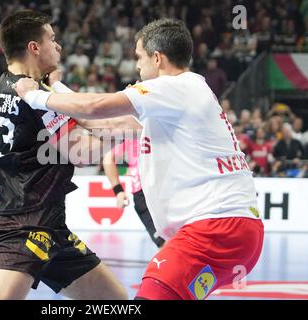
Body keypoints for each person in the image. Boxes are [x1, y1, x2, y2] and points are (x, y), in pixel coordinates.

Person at [14, 18, 264, 300]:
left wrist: (34, 95)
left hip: (215, 228)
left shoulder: (174, 87)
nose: (137, 66)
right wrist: (56, 88)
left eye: (139, 57)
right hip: (234, 230)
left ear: (157, 58)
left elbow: (96, 107)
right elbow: (104, 123)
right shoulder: (178, 98)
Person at [0, 10, 127, 300]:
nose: (58, 46)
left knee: (115, 302)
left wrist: (55, 86)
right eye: (52, 39)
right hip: (23, 225)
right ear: (34, 47)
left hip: (52, 225)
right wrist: (125, 131)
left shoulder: (9, 85)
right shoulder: (35, 95)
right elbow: (82, 153)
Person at [103, 139, 165, 247]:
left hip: (149, 192)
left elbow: (108, 159)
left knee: (168, 244)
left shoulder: (132, 131)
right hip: (151, 192)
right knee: (168, 244)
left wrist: (118, 191)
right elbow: (108, 159)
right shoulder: (134, 133)